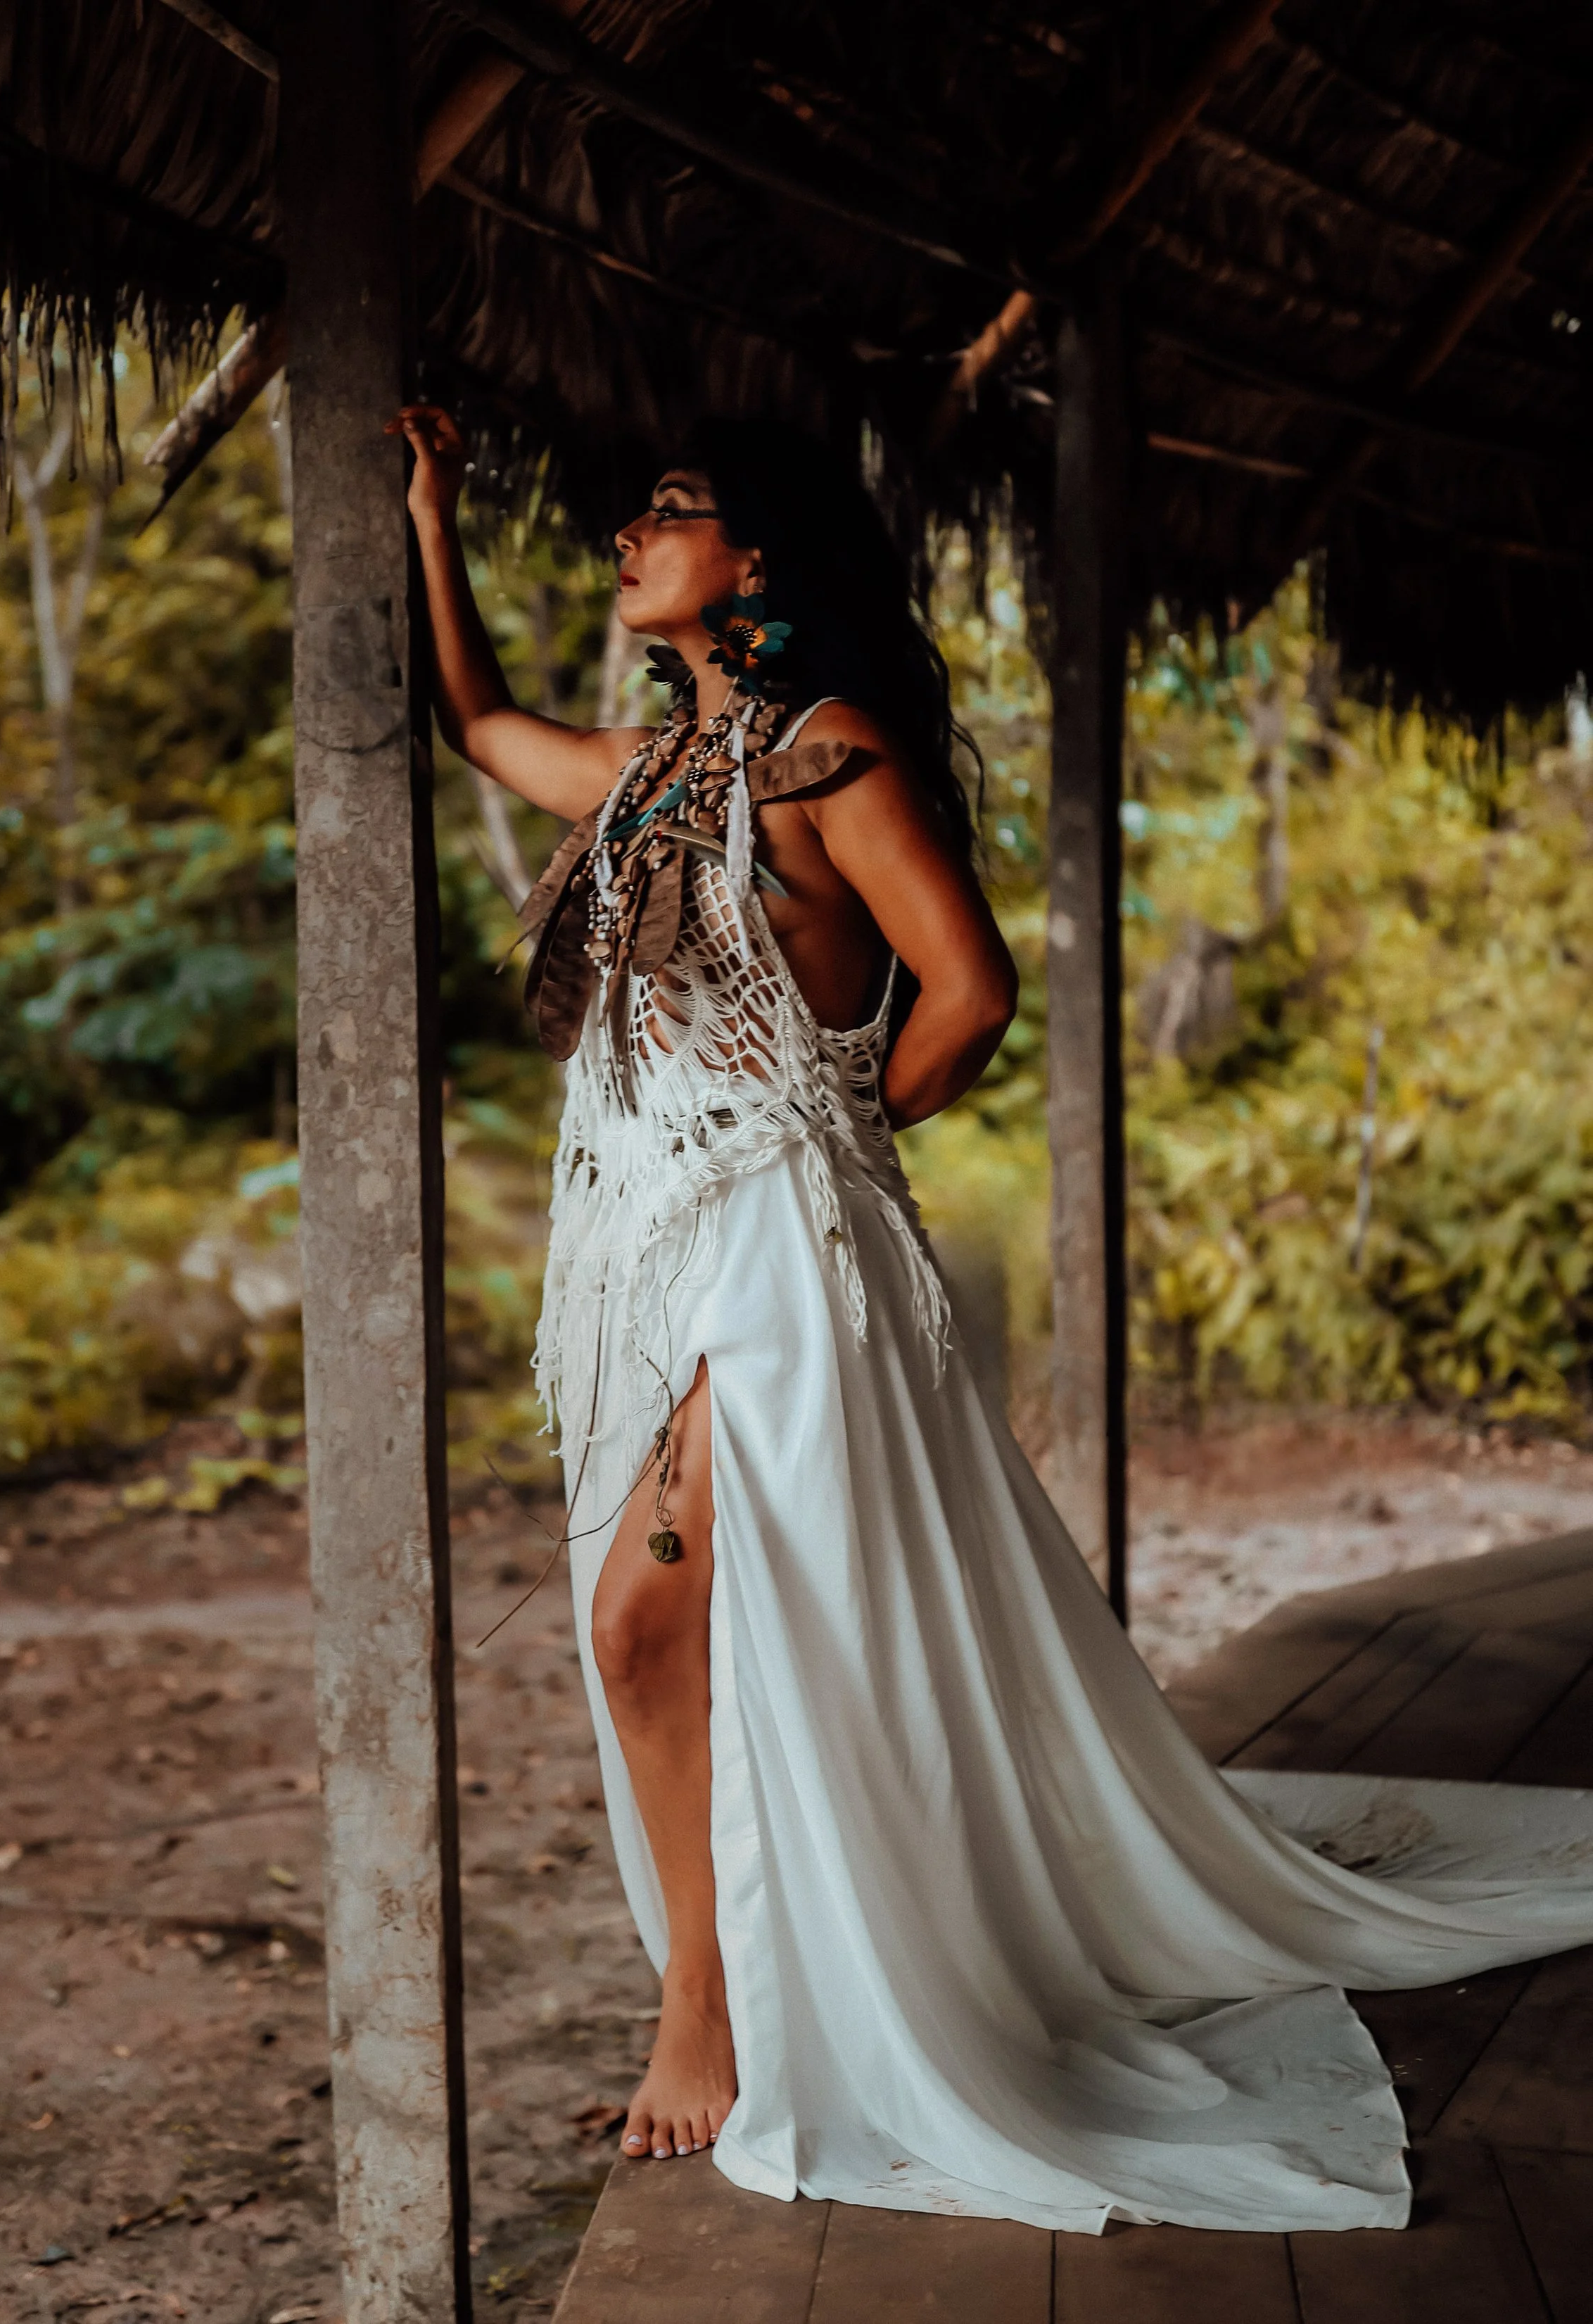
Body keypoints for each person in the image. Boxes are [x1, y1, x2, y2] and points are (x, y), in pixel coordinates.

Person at [396, 405, 1593, 2235]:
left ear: (760, 561)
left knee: (657, 1608)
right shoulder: (652, 772)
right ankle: (726, 1980)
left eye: (673, 511)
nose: (631, 533)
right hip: (648, 1253)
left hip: (780, 1252)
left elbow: (966, 988)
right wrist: (423, 511)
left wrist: (823, 1125)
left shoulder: (827, 757)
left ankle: (706, 2011)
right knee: (643, 1634)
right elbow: (478, 728)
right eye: (635, 509)